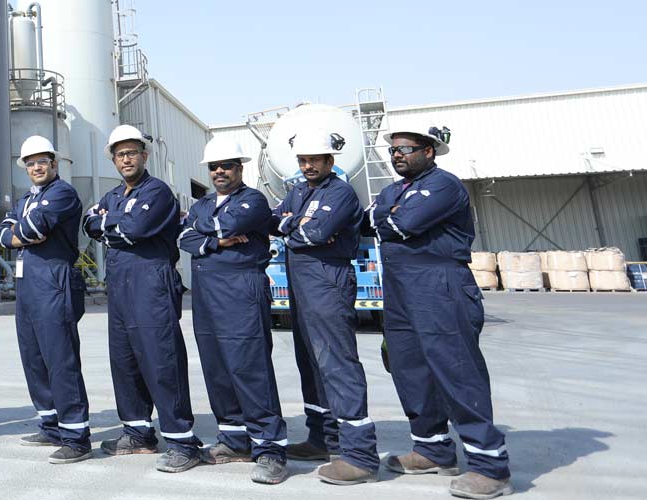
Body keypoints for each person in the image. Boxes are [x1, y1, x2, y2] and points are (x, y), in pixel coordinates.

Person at [369, 128, 511, 499]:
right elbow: (374, 221)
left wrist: (390, 217)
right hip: (399, 286)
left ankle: (489, 466)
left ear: (429, 152)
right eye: (393, 150)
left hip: (440, 284)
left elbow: (404, 224)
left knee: (456, 369)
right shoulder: (392, 192)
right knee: (408, 367)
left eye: (405, 149)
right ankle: (432, 449)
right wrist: (389, 214)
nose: (396, 155)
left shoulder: (444, 185)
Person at [83, 125, 201, 473]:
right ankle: (138, 433)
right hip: (119, 286)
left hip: (152, 284)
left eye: (131, 152)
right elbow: (89, 224)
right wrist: (114, 224)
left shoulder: (159, 191)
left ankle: (183, 440)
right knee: (125, 359)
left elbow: (135, 229)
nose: (126, 159)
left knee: (161, 359)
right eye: (120, 154)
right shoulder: (114, 195)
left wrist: (111, 225)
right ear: (114, 160)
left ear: (144, 156)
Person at [178, 136, 288, 484]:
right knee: (217, 367)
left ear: (240, 168)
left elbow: (228, 226)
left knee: (249, 366)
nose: (219, 171)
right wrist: (214, 240)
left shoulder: (253, 200)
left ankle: (270, 449)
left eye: (226, 165)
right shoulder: (203, 202)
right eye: (214, 167)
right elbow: (184, 238)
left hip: (241, 289)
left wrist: (204, 234)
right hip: (207, 295)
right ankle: (234, 438)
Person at [272, 128, 379, 484]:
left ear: (330, 161)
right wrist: (295, 224)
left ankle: (359, 455)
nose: (307, 166)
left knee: (337, 362)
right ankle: (323, 439)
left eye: (314, 160)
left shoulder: (341, 192)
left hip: (327, 280)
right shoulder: (299, 191)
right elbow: (275, 221)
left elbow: (315, 234)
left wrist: (297, 227)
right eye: (303, 160)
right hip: (301, 284)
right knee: (310, 363)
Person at [0, 135, 89, 464]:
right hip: (28, 284)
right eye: (30, 163)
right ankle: (51, 424)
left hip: (54, 279)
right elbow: (5, 233)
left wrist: (18, 233)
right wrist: (15, 233)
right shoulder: (26, 198)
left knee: (60, 358)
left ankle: (76, 435)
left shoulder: (62, 193)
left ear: (53, 163)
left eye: (41, 161)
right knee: (33, 357)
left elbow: (33, 230)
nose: (36, 167)